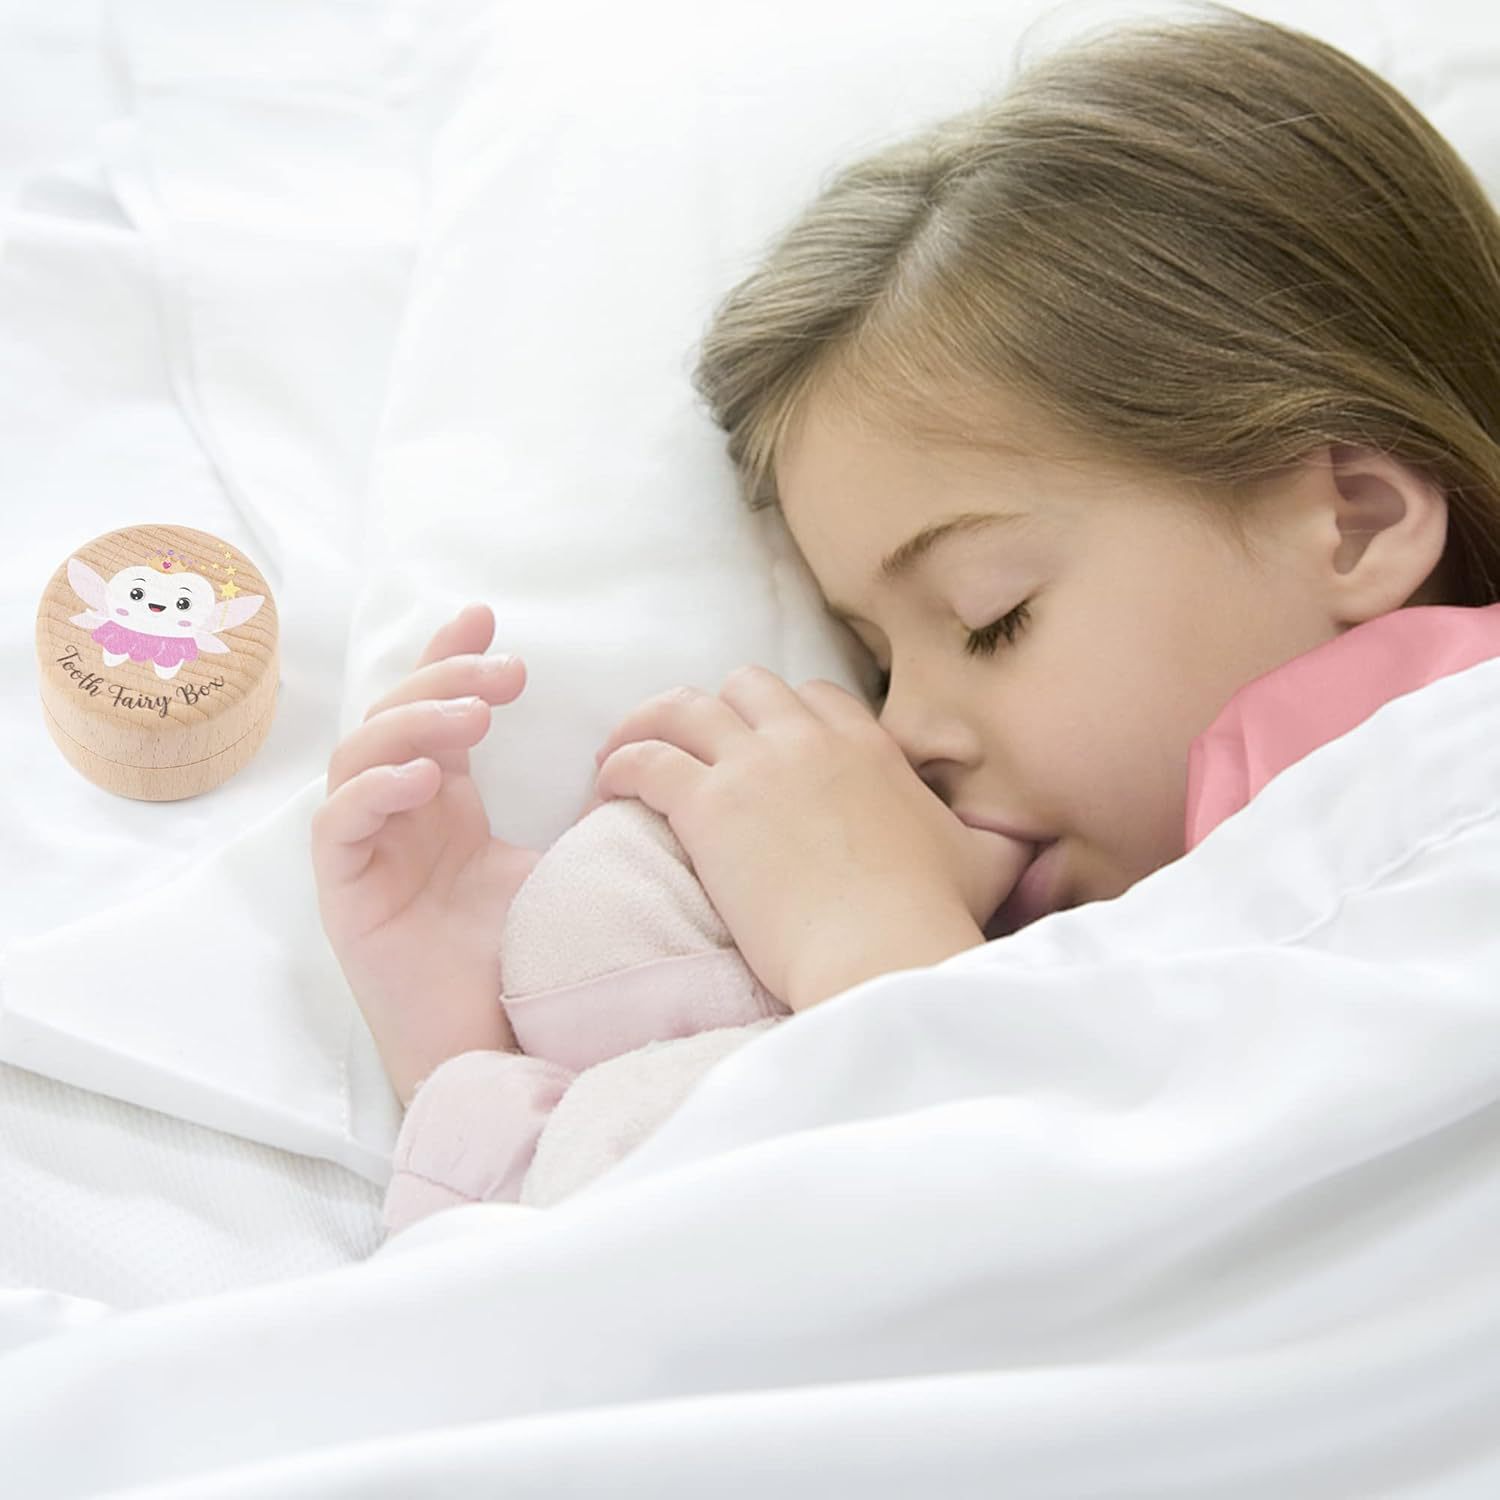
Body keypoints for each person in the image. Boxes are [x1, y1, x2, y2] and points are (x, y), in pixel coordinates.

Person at [310, 5, 1500, 1234]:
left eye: (991, 619)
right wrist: (478, 1069)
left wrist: (868, 949)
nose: (909, 732)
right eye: (874, 664)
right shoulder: (1125, 941)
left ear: (1353, 519)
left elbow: (1105, 1262)